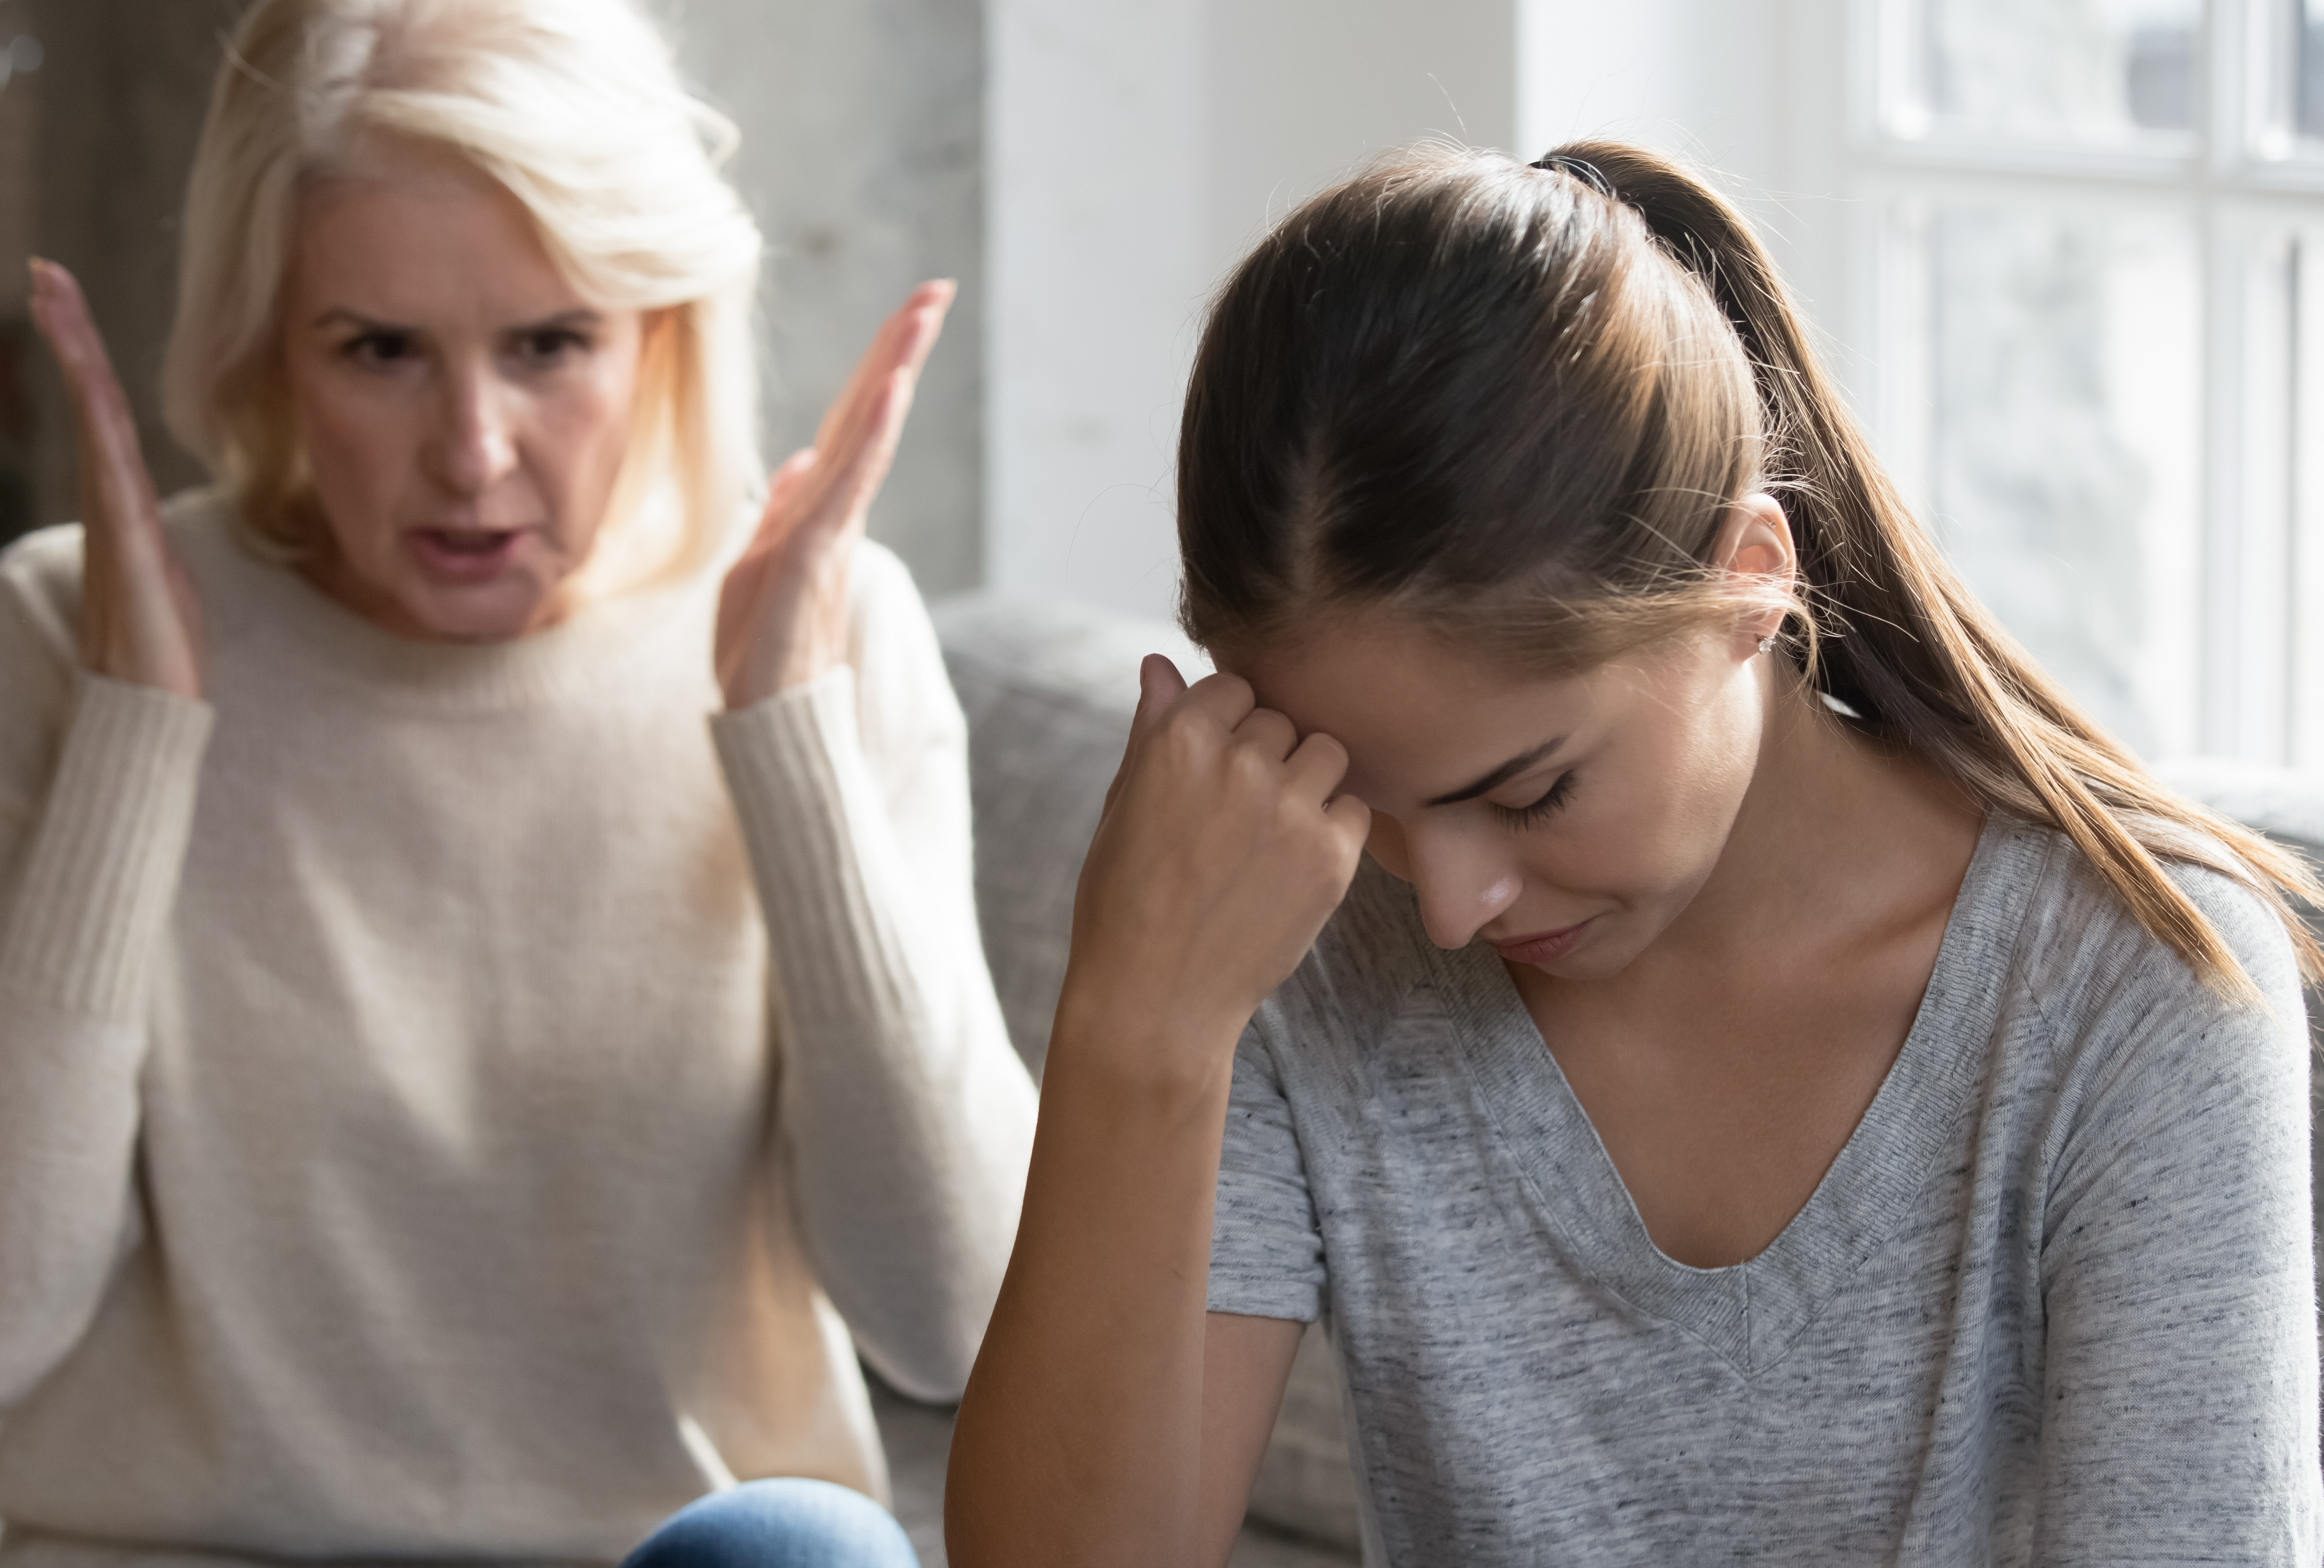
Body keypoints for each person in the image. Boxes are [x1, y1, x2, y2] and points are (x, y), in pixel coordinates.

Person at [945, 141, 2324, 1565]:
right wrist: (1138, 1027)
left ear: (1747, 582)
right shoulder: (1286, 937)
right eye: (1362, 801)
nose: (1449, 905)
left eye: (1530, 793)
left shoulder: (2140, 998)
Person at [0, 0, 1036, 1568]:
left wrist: (788, 740)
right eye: (382, 351)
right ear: (270, 343)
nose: (473, 454)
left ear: (658, 329)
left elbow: (958, 1322)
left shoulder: (824, 638)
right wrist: (142, 732)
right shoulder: (76, 628)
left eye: (549, 344)